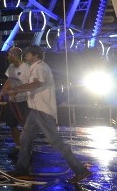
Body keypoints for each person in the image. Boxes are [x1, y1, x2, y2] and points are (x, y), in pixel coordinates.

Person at [7, 45, 90, 184]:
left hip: (43, 110)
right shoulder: (35, 67)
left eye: (27, 54)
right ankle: (21, 170)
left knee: (55, 141)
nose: (25, 56)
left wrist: (17, 90)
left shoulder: (41, 67)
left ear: (35, 55)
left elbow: (36, 84)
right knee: (25, 138)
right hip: (35, 110)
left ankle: (80, 170)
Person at [0, 46, 31, 157]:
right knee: (12, 125)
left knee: (25, 126)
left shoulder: (26, 68)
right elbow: (9, 80)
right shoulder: (11, 67)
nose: (7, 57)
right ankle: (18, 146)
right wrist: (1, 94)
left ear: (13, 55)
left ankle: (27, 148)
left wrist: (17, 90)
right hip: (12, 101)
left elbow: (31, 84)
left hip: (24, 101)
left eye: (9, 54)